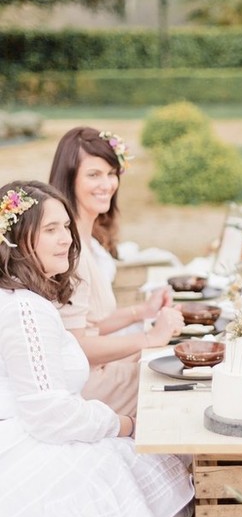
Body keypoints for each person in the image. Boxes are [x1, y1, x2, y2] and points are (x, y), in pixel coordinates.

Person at [0, 181, 194, 517]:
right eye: (50, 230)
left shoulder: (24, 299)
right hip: (28, 438)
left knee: (150, 466)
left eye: (66, 228)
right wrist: (124, 425)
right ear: (18, 240)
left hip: (37, 427)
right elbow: (51, 414)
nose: (66, 240)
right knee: (154, 469)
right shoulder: (24, 309)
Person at [49, 127, 184, 416]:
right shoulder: (66, 248)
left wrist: (142, 311)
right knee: (179, 387)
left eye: (112, 173)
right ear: (69, 177)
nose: (107, 184)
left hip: (98, 370)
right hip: (88, 386)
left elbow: (89, 322)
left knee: (181, 362)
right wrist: (150, 338)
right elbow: (75, 346)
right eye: (94, 174)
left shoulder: (86, 237)